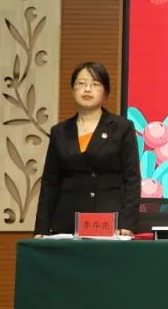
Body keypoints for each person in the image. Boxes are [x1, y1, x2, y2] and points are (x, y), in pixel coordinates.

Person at [35, 62, 140, 236]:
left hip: (107, 222)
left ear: (105, 92)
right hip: (66, 222)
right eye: (81, 83)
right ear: (73, 90)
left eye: (95, 84)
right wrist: (41, 229)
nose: (87, 89)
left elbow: (132, 180)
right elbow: (50, 184)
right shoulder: (59, 131)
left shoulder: (121, 128)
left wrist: (127, 224)